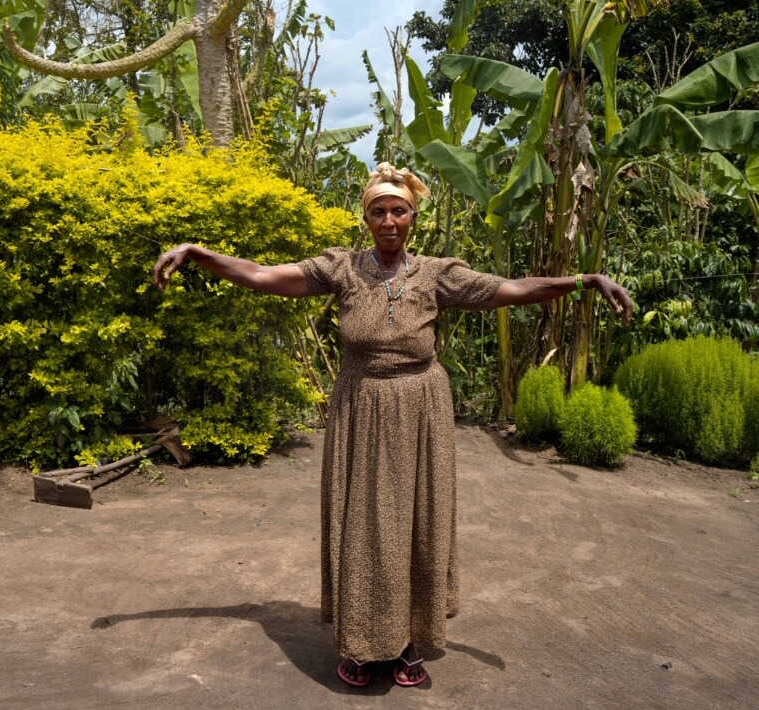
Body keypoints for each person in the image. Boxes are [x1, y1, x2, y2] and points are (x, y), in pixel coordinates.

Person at [151, 163, 633, 688]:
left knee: (414, 522)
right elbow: (266, 276)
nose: (388, 220)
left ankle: (405, 641)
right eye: (378, 211)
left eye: (397, 210)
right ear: (366, 218)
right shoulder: (341, 270)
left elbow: (511, 288)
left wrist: (584, 279)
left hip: (421, 408)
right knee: (364, 525)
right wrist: (200, 254)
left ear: (412, 217)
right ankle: (362, 641)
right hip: (360, 407)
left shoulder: (436, 274)